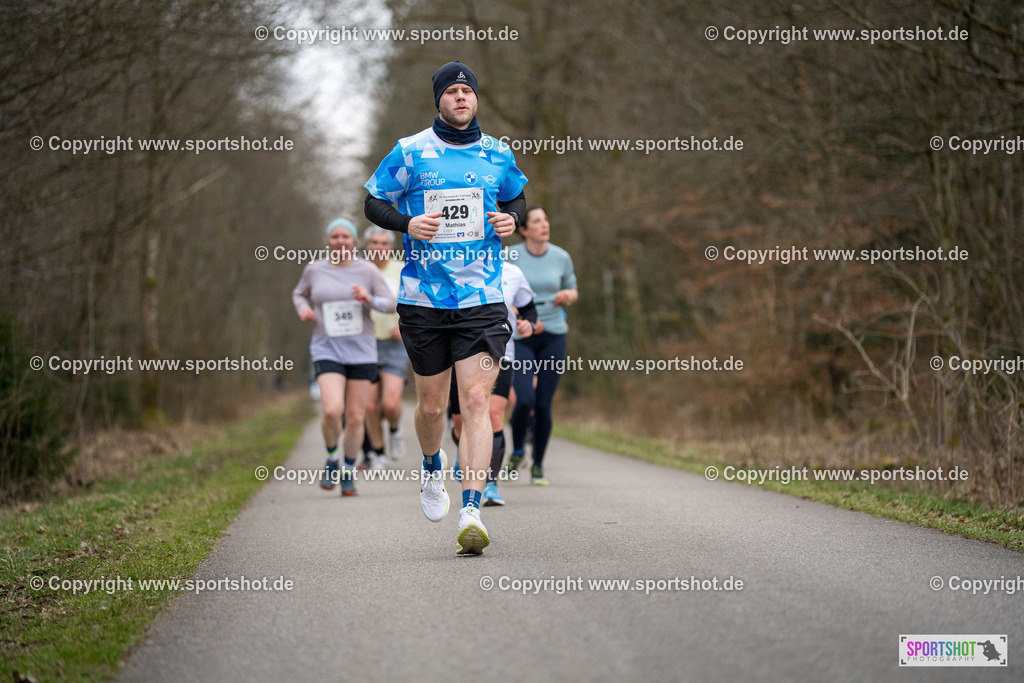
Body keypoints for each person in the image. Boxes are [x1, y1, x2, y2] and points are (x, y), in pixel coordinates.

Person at [363, 61, 527, 554]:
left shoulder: (498, 153)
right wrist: (406, 222)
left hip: (482, 298)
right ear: (439, 100)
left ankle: (471, 508)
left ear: (476, 99)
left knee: (476, 402)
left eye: (467, 91)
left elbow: (518, 200)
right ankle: (432, 466)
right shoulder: (410, 151)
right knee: (433, 406)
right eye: (451, 91)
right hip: (423, 300)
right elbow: (373, 202)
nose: (460, 97)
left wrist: (510, 221)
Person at [292, 218, 397, 496]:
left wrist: (369, 299)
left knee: (354, 418)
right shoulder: (314, 269)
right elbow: (299, 294)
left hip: (362, 351)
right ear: (329, 240)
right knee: (332, 410)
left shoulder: (368, 270)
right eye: (335, 236)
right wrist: (304, 310)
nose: (340, 241)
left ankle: (348, 471)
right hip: (327, 348)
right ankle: (331, 459)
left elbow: (391, 304)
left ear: (354, 241)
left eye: (346, 236)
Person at [449, 262, 540, 506]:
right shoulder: (452, 265)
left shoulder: (513, 272)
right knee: (461, 424)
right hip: (458, 355)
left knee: (494, 414)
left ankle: (489, 483)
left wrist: (528, 324)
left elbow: (529, 309)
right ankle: (465, 451)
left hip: (501, 352)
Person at [507, 205, 577, 485]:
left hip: (554, 335)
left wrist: (567, 295)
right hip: (522, 336)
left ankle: (538, 465)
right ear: (523, 230)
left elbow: (572, 287)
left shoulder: (562, 257)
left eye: (545, 219)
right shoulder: (510, 256)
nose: (544, 224)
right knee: (524, 399)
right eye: (536, 221)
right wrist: (516, 313)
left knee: (544, 404)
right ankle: (516, 450)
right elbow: (497, 291)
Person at [361, 226, 409, 470]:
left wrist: (403, 326)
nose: (379, 248)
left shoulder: (401, 270)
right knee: (370, 406)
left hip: (394, 343)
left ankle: (395, 428)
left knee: (390, 404)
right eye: (375, 243)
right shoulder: (358, 271)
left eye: (384, 243)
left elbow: (414, 304)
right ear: (367, 246)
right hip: (365, 344)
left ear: (390, 247)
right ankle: (378, 455)